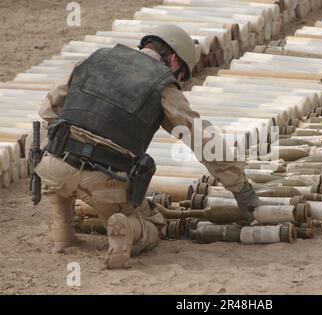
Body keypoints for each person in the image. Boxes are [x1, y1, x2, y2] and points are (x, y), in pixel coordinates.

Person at [34, 25, 259, 269]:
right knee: (154, 225)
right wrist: (240, 188)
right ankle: (128, 228)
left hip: (53, 165)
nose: (177, 80)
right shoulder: (162, 86)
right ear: (173, 59)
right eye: (180, 75)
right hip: (104, 179)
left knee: (58, 159)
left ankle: (63, 233)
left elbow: (47, 111)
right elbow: (202, 140)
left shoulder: (96, 58)